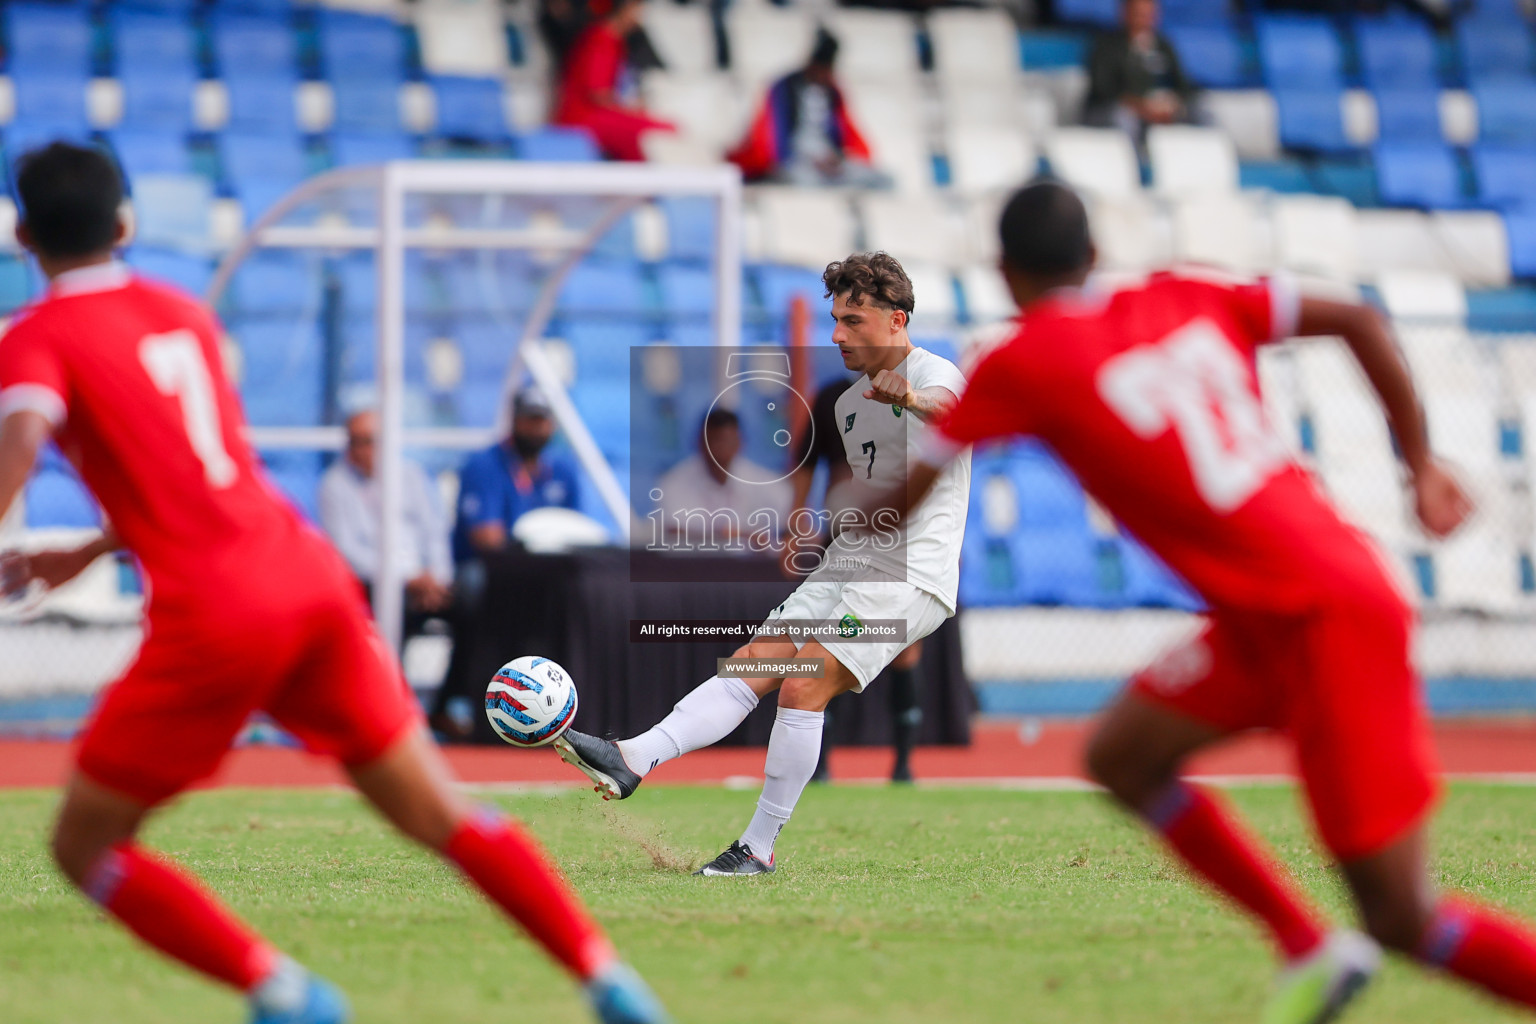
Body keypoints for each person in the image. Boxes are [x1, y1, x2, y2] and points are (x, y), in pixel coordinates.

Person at [0, 142, 669, 1024]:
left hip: (217, 612)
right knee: (438, 809)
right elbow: (201, 473)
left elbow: (22, 436)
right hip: (308, 579)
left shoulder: (37, 337)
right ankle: (608, 978)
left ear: (21, 234)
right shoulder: (183, 317)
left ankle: (284, 994)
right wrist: (90, 551)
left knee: (84, 844)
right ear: (126, 225)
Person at [881, 180, 1536, 1022]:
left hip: (1322, 619)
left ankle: (1340, 947)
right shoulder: (1188, 293)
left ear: (1005, 273)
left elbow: (903, 497)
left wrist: (808, 513)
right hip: (1280, 610)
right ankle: (1309, 946)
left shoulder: (1023, 360)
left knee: (1405, 918)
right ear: (1095, 256)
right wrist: (1420, 463)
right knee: (1123, 754)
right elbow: (1363, 319)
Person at [556, 252, 970, 876]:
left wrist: (909, 396)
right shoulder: (848, 405)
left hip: (909, 578)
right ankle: (633, 757)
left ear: (897, 320)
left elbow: (960, 423)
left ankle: (758, 846)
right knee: (756, 661)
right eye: (834, 319)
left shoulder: (939, 375)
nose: (836, 335)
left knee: (804, 682)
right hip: (851, 561)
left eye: (853, 321)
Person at [788, 374, 923, 784]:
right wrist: (797, 525)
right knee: (826, 641)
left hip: (903, 538)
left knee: (904, 648)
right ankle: (822, 765)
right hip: (846, 536)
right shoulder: (831, 397)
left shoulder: (913, 394)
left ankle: (902, 765)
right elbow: (806, 465)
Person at [318, 408, 453, 638]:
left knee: (473, 595)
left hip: (423, 578)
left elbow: (433, 531)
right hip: (378, 582)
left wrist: (438, 577)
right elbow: (347, 551)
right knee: (390, 604)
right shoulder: (334, 484)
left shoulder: (411, 475)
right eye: (354, 442)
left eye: (368, 441)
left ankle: (463, 673)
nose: (361, 450)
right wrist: (405, 578)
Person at [728, 28, 892, 188]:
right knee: (797, 180)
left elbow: (845, 137)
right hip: (797, 163)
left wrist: (837, 158)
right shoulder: (784, 88)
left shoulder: (833, 92)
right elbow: (772, 138)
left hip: (831, 165)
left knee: (884, 180)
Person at [451, 385, 580, 564]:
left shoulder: (563, 470)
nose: (535, 429)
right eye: (528, 420)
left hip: (546, 569)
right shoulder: (485, 465)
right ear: (514, 420)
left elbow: (577, 531)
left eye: (541, 421)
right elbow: (487, 539)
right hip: (487, 567)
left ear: (553, 424)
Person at [653, 407, 792, 551]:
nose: (721, 448)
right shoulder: (674, 482)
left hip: (750, 571)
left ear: (740, 442)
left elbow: (795, 526)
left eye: (728, 441)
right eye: (715, 440)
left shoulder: (765, 482)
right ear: (699, 442)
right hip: (693, 570)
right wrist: (740, 536)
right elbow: (673, 533)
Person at [552, 0, 675, 161]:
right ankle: (640, 183)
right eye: (637, 10)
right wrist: (631, 109)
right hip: (582, 117)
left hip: (593, 113)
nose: (640, 17)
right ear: (625, 9)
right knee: (661, 129)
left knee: (660, 126)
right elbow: (599, 94)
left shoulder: (613, 39)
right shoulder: (601, 39)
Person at [1084, 0, 1199, 142]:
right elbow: (1103, 89)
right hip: (1113, 110)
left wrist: (1173, 104)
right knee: (1124, 118)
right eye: (1138, 14)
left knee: (1199, 111)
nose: (1144, 19)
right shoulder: (1106, 45)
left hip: (1157, 108)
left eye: (1148, 14)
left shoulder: (1164, 45)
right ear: (1124, 13)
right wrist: (1140, 106)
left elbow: (1183, 86)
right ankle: (1132, 161)